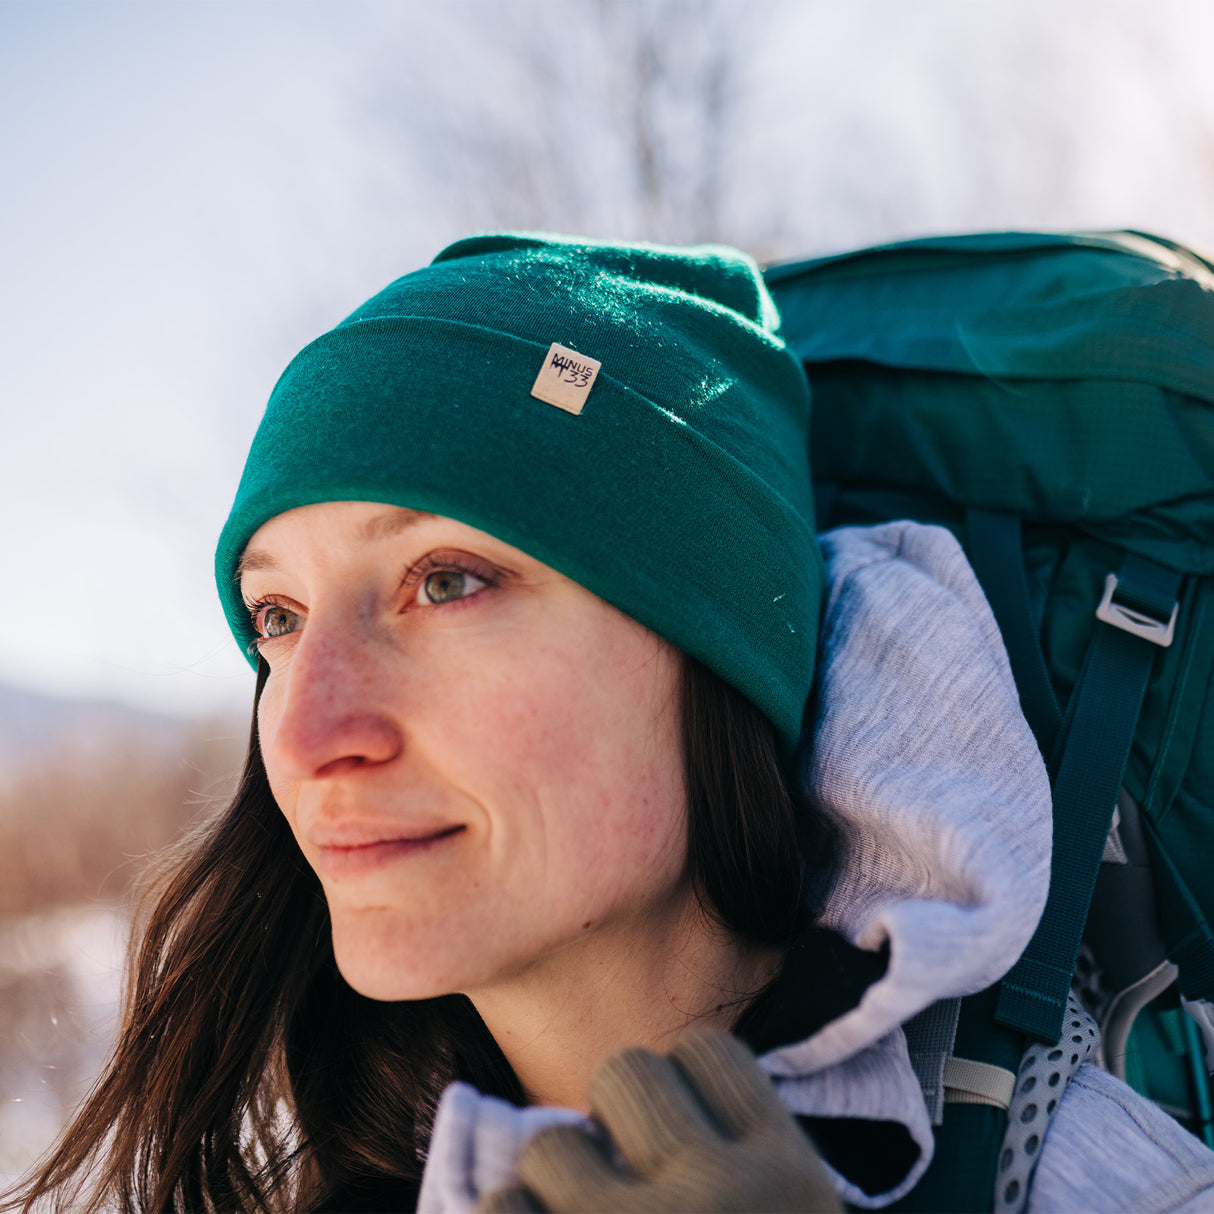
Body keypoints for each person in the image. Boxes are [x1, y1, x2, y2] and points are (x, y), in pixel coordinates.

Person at [8, 234, 1214, 1213]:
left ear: (712, 649)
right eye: (274, 614)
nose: (311, 731)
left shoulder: (1083, 1177)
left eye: (446, 580)